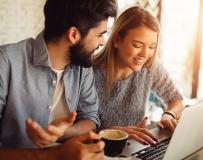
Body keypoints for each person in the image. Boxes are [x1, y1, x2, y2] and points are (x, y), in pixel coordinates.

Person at [0, 0, 117, 159]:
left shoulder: (83, 65)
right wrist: (55, 155)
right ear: (73, 34)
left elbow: (90, 118)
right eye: (100, 34)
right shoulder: (5, 62)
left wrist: (62, 132)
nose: (103, 42)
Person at [93, 6, 184, 145]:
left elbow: (175, 99)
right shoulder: (89, 72)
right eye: (137, 45)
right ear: (117, 40)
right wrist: (117, 133)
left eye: (152, 47)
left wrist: (169, 114)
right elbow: (76, 131)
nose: (145, 54)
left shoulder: (150, 68)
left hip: (134, 149)